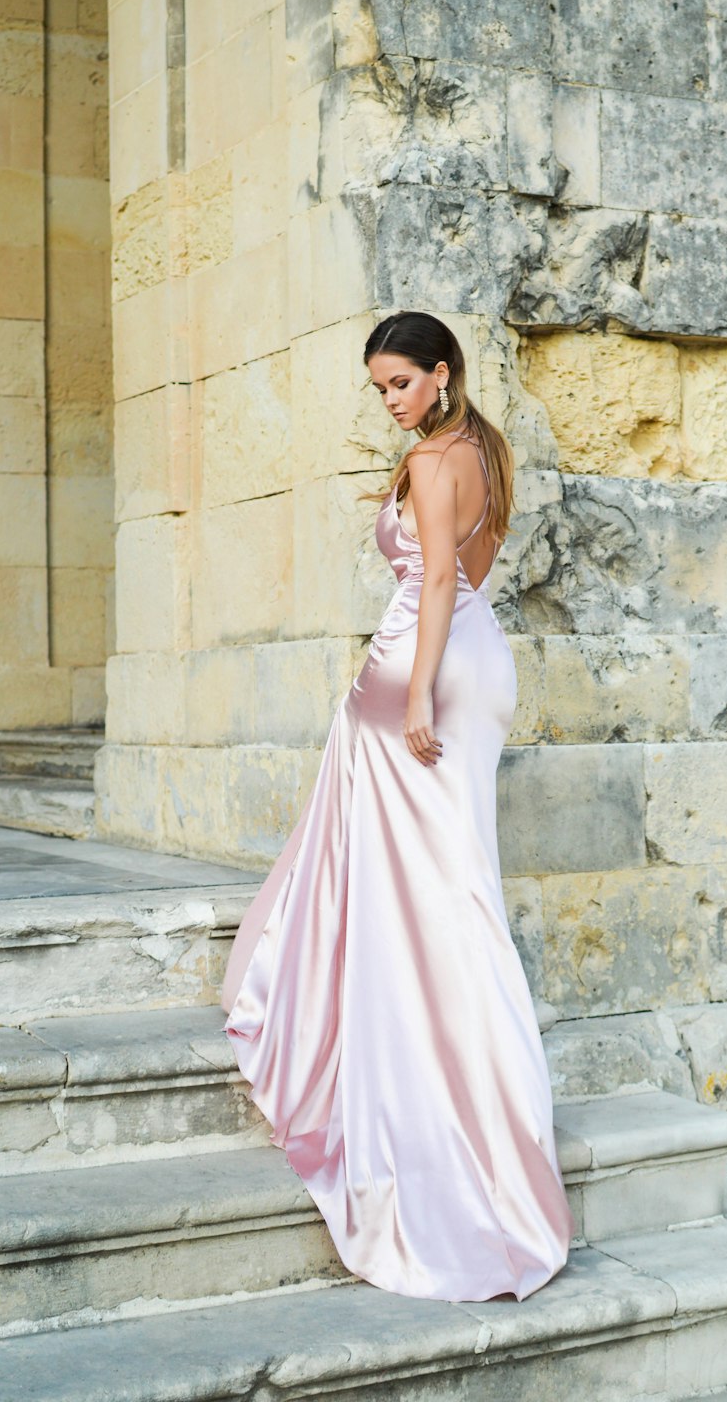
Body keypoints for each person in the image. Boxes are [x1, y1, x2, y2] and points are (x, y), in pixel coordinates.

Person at [220, 310, 573, 1302]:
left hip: (422, 670)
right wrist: (443, 674)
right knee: (455, 883)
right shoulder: (483, 452)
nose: (390, 403)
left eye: (399, 386)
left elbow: (427, 594)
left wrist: (413, 694)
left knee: (421, 895)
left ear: (441, 373)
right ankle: (493, 1106)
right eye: (379, 388)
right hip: (481, 660)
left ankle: (445, 1108)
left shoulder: (429, 465)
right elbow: (474, 575)